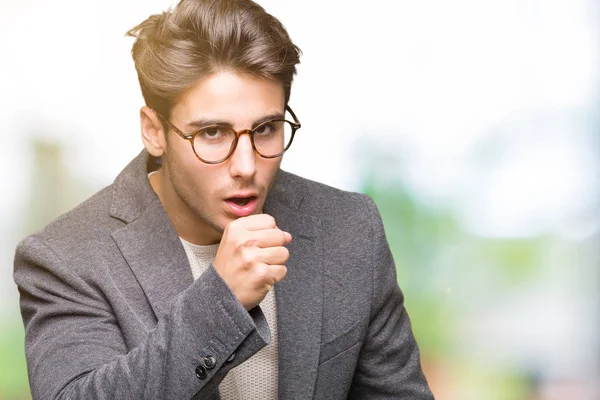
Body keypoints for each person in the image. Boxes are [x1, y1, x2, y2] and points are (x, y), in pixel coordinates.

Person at [13, 0, 434, 399]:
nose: (247, 166)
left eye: (267, 128)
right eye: (212, 133)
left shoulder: (349, 229)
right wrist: (221, 299)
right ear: (154, 130)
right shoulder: (65, 258)